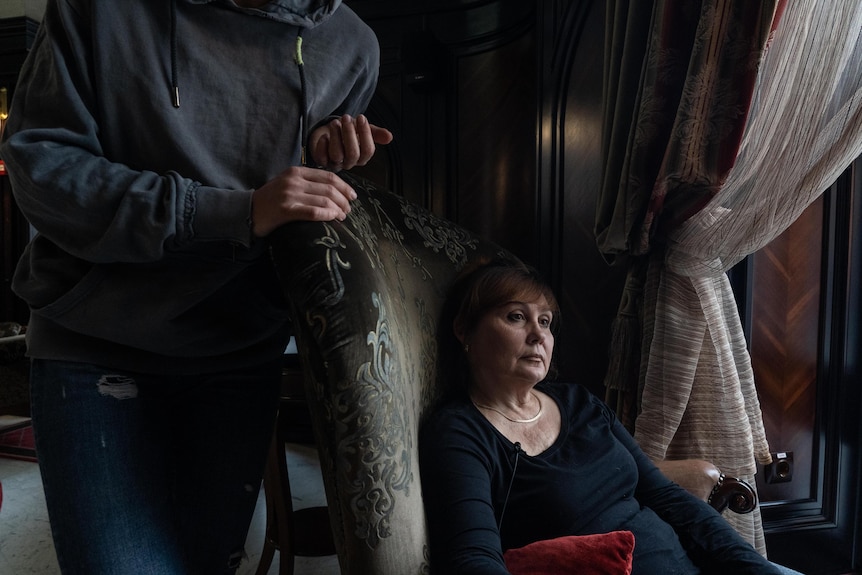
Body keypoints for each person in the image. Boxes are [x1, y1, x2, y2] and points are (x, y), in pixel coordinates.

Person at [0, 1, 392, 573]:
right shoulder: (98, 10)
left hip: (238, 354)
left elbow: (298, 204)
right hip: (95, 346)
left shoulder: (353, 43)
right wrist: (229, 212)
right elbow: (43, 171)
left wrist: (323, 150)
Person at [419, 257, 804, 574]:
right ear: (464, 330)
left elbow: (665, 496)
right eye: (516, 317)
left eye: (546, 321)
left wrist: (754, 567)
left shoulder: (578, 403)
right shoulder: (460, 433)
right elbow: (473, 558)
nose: (538, 335)